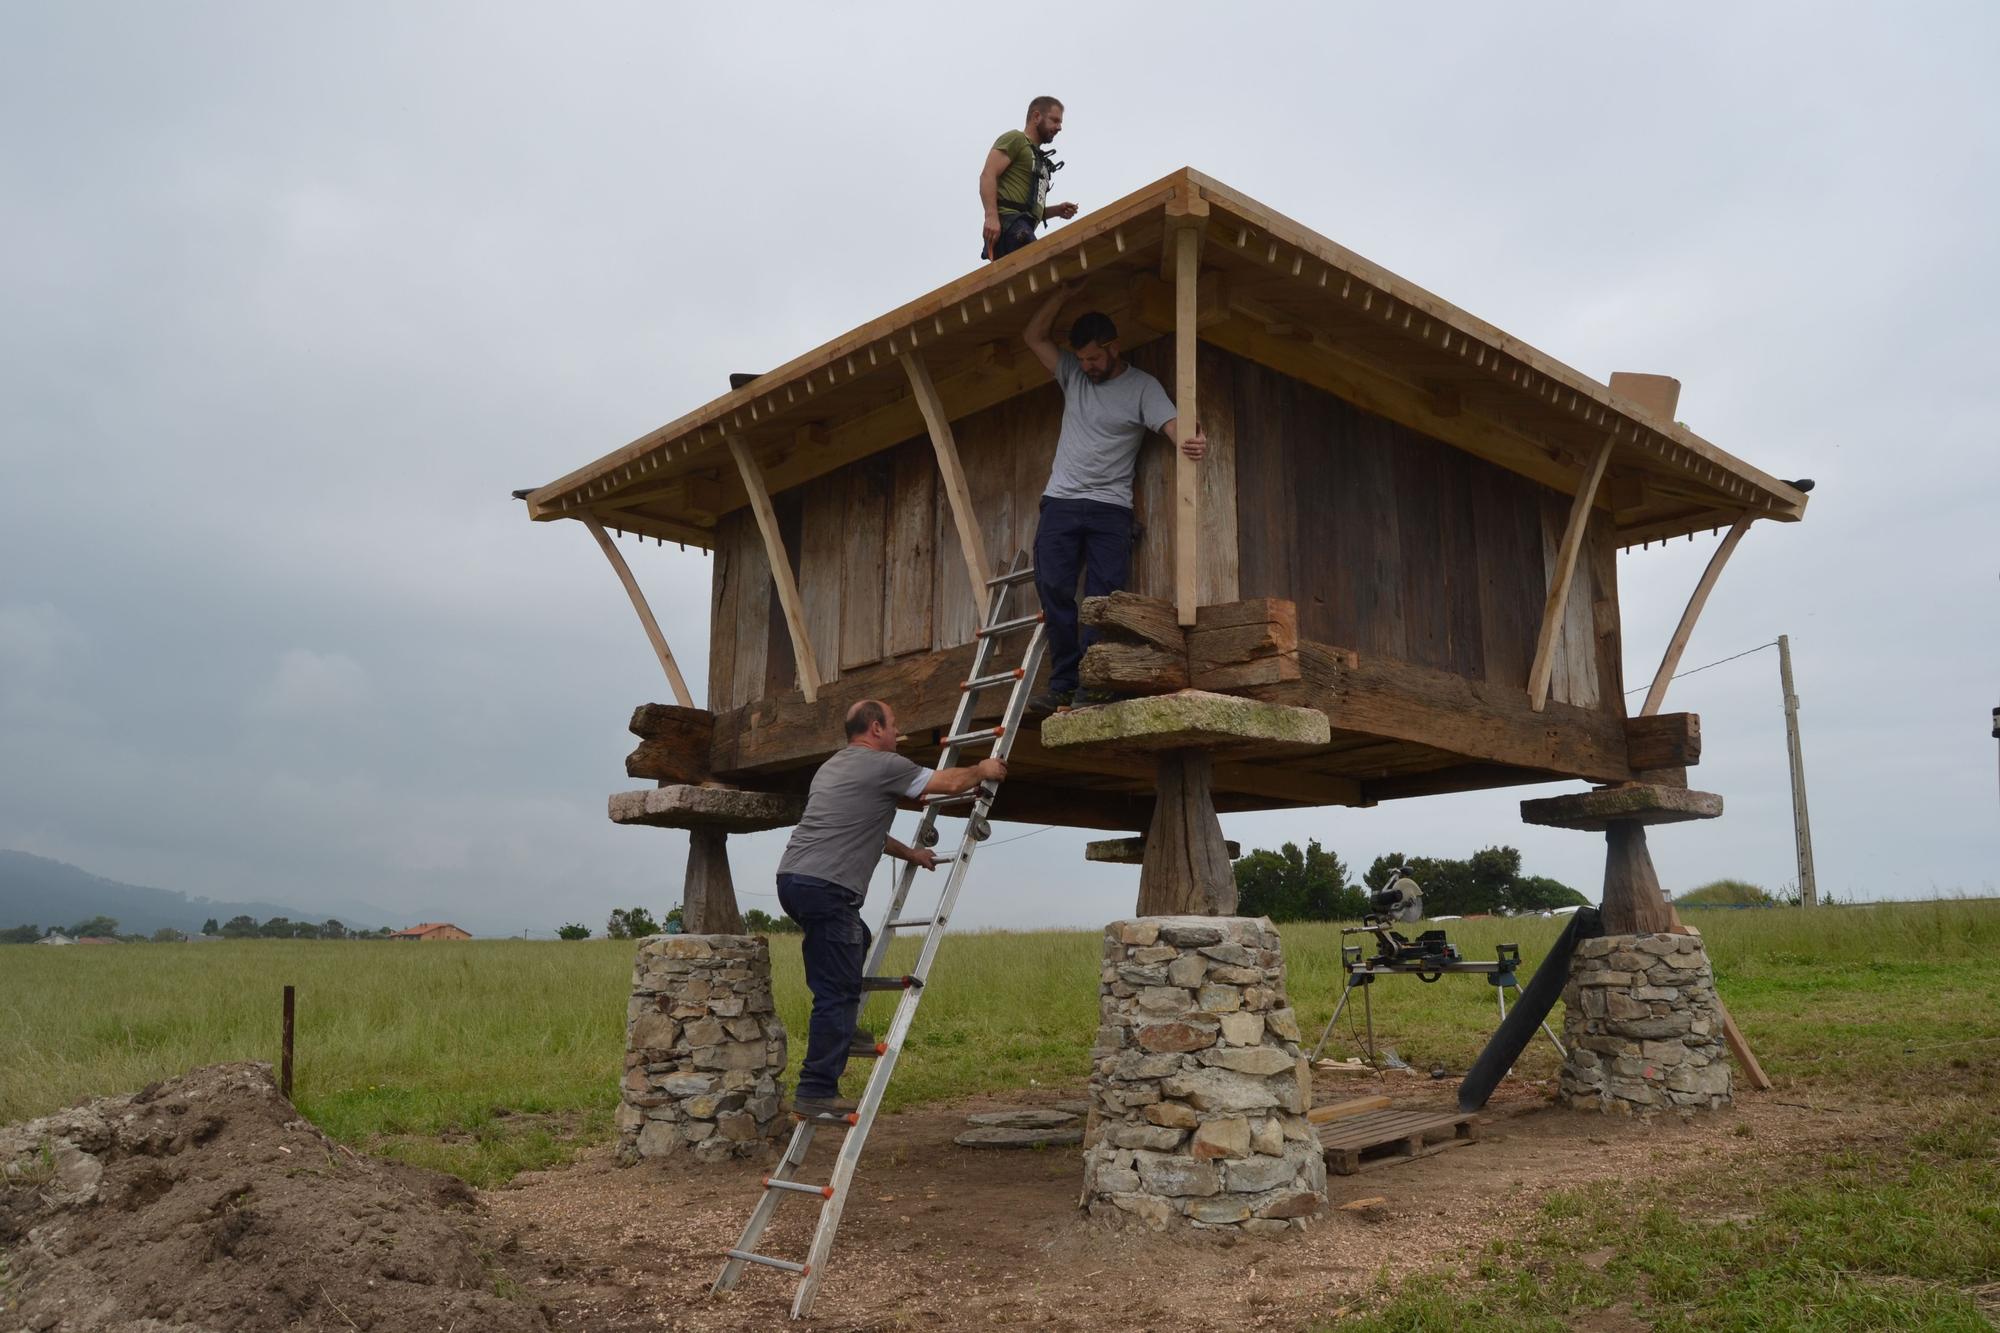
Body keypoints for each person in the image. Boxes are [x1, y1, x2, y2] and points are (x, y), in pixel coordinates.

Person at [775, 699, 1007, 1118]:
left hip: (794, 880)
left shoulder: (832, 767)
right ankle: (815, 1090)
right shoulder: (884, 765)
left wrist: (912, 854)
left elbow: (867, 831)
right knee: (836, 992)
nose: (898, 734)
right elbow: (949, 783)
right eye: (895, 725)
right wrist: (982, 771)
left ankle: (845, 1033)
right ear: (876, 727)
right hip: (828, 888)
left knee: (855, 940)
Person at [1021, 285, 1208, 712]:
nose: (1086, 366)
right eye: (1082, 358)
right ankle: (1064, 683)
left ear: (1113, 347)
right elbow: (1033, 336)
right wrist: (1063, 295)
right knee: (1054, 588)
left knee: (1102, 601)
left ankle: (1096, 682)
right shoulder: (1071, 373)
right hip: (1062, 501)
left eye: (1094, 358)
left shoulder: (1142, 387)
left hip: (1111, 508)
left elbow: (1175, 425)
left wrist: (1192, 440)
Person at [980, 96, 1078, 261]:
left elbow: (1028, 209)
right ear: (1036, 117)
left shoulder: (1039, 158)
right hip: (1009, 224)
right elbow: (988, 175)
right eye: (1054, 120)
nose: (1059, 127)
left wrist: (1056, 211)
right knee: (1044, 264)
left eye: (1060, 123)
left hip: (1022, 226)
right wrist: (991, 216)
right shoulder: (1016, 139)